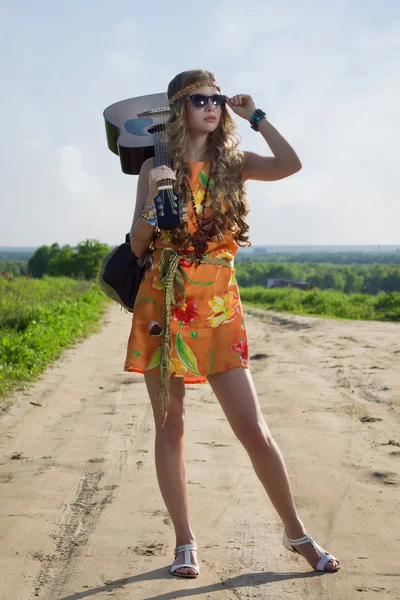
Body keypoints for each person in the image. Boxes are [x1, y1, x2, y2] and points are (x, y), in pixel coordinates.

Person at [124, 69, 341, 578]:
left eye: (217, 99)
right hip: (167, 301)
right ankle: (185, 543)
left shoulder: (233, 164)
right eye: (200, 99)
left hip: (219, 307)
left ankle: (297, 534)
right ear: (179, 109)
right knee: (171, 426)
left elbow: (291, 164)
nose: (211, 106)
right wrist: (154, 204)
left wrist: (256, 115)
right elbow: (137, 247)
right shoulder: (155, 167)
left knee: (252, 427)